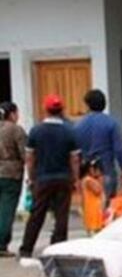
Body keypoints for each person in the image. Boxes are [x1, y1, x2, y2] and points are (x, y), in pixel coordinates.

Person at [19, 95, 81, 258]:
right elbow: (74, 159)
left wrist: (31, 177)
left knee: (36, 214)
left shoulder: (36, 130)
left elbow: (30, 157)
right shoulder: (69, 131)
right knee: (62, 214)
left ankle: (26, 249)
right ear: (62, 110)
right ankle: (58, 248)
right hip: (63, 178)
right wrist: (75, 178)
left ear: (45, 109)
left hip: (42, 178)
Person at [74, 89, 122, 202]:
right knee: (107, 211)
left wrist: (76, 176)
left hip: (87, 175)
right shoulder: (111, 123)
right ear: (104, 104)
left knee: (90, 210)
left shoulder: (78, 126)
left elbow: (75, 154)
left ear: (87, 105)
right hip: (106, 172)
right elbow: (118, 150)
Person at [0, 102, 27, 257]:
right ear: (11, 114)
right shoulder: (15, 130)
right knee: (6, 209)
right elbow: (25, 153)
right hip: (11, 174)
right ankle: (2, 244)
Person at [81, 159, 104, 236]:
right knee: (95, 233)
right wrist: (100, 179)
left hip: (94, 210)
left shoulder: (88, 180)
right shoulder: (88, 180)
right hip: (92, 211)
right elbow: (98, 190)